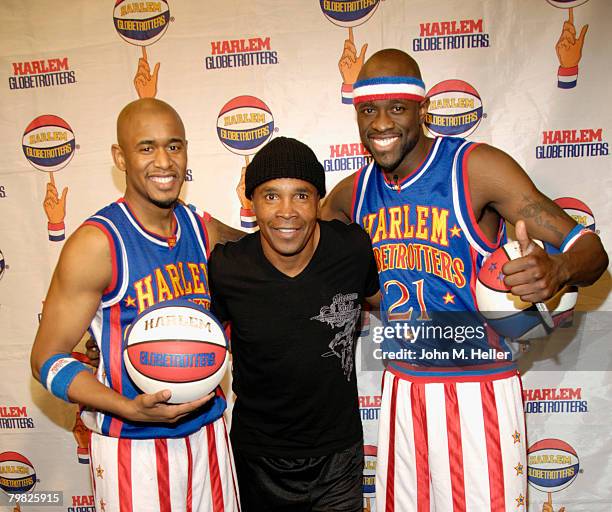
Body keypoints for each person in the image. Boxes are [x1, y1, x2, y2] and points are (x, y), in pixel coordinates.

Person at [321, 49, 608, 511]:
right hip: (401, 389)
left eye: (396, 107)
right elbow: (292, 262)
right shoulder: (349, 197)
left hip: (480, 390)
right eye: (367, 110)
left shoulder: (476, 169)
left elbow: (591, 252)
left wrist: (558, 270)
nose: (380, 123)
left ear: (424, 109)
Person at [31, 98, 242, 512]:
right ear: (119, 157)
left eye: (174, 146)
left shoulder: (203, 231)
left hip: (209, 438)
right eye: (147, 147)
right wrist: (128, 408)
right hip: (134, 449)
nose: (164, 161)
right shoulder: (97, 243)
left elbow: (274, 248)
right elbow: (45, 361)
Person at [207, 136, 381, 511]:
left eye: (301, 195)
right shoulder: (227, 266)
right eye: (271, 196)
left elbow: (395, 302)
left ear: (318, 201)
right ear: (250, 203)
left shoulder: (352, 249)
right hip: (258, 458)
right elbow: (193, 329)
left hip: (338, 454)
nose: (287, 211)